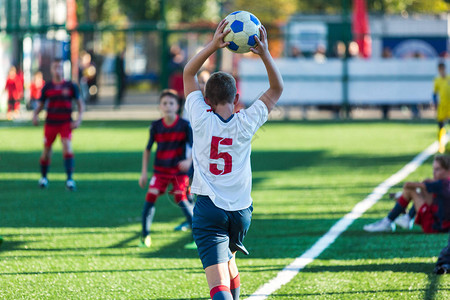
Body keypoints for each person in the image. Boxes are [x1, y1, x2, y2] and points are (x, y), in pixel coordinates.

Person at [183, 20, 283, 300]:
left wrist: (213, 45)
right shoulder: (247, 121)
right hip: (241, 212)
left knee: (218, 288)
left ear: (205, 98)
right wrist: (264, 53)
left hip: (208, 209)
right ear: (237, 98)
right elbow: (277, 89)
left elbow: (188, 73)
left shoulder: (200, 117)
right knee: (228, 259)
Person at [138, 89, 194, 248]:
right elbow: (147, 149)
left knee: (180, 197)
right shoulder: (155, 126)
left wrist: (189, 161)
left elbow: (195, 146)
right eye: (164, 103)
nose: (168, 106)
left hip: (178, 171)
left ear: (177, 106)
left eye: (171, 103)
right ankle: (145, 235)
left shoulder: (185, 125)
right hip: (160, 171)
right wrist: (143, 173)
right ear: (159, 107)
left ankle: (197, 237)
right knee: (150, 196)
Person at [32, 59, 84, 191]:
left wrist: (78, 119)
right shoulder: (47, 87)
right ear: (51, 70)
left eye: (60, 67)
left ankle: (70, 180)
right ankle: (43, 178)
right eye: (55, 67)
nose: (58, 70)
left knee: (67, 146)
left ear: (63, 69)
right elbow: (41, 104)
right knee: (46, 151)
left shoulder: (70, 86)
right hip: (51, 123)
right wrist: (35, 115)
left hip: (65, 122)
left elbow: (80, 103)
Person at [364, 154, 450, 233]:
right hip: (441, 225)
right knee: (424, 189)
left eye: (437, 169)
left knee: (410, 190)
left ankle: (390, 221)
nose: (434, 172)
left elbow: (407, 185)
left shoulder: (442, 184)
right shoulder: (444, 184)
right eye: (433, 169)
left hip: (434, 227)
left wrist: (403, 196)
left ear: (448, 170)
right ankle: (407, 217)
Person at [433, 62, 450, 153]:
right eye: (440, 69)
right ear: (439, 70)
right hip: (442, 105)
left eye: (443, 69)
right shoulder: (437, 80)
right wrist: (435, 104)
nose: (442, 71)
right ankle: (441, 145)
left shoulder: (449, 78)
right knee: (441, 125)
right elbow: (434, 94)